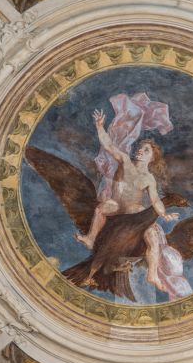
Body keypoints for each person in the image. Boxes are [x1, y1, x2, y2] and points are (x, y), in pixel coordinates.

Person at [76, 109, 178, 293]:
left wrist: (163, 213)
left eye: (145, 150)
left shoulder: (149, 179)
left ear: (152, 157)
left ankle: (152, 274)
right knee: (101, 208)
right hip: (117, 205)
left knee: (152, 236)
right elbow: (108, 145)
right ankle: (91, 238)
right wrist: (99, 126)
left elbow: (155, 200)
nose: (140, 151)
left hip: (134, 210)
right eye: (140, 148)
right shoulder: (125, 161)